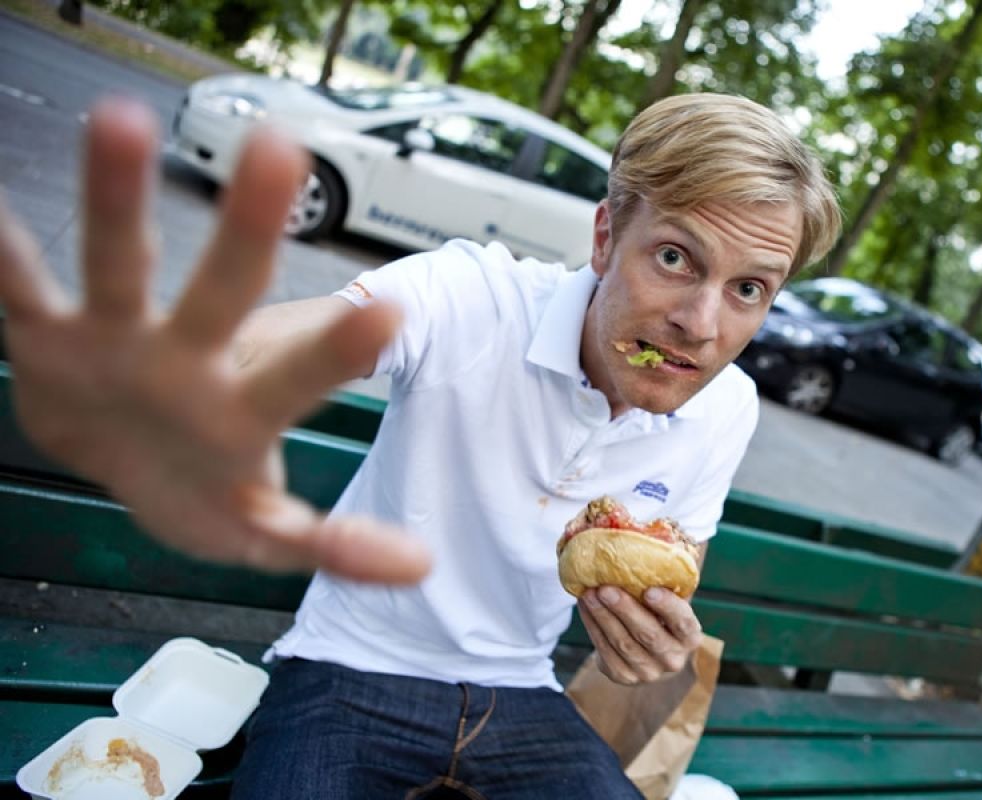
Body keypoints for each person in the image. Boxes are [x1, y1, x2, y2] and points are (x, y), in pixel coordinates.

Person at [0, 91, 840, 797]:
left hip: (524, 689)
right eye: (673, 256)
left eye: (749, 289)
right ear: (602, 237)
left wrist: (652, 645)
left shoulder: (728, 410)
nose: (701, 324)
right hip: (347, 666)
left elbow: (673, 558)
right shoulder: (474, 295)